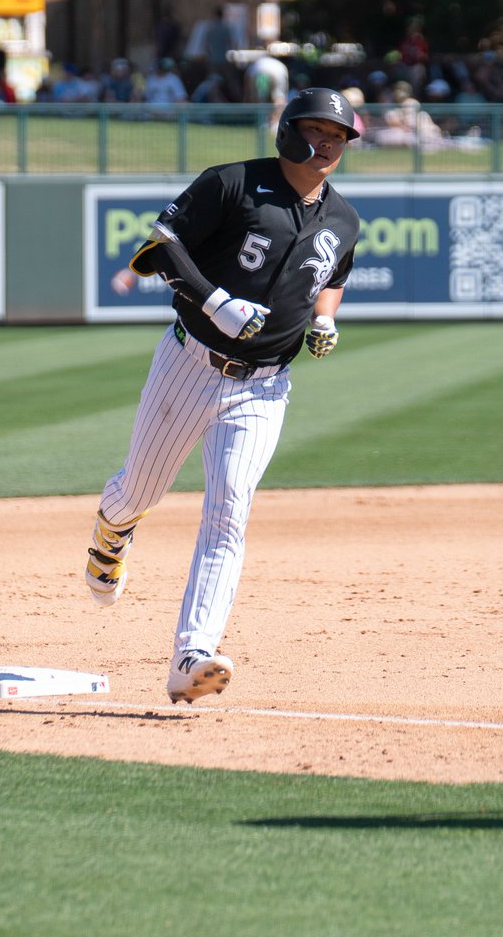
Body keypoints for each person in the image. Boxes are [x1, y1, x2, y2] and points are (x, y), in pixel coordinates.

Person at [84, 88, 360, 704]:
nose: (327, 145)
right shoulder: (232, 184)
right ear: (288, 131)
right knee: (141, 491)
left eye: (338, 136)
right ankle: (112, 530)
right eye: (317, 131)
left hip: (265, 387)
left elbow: (334, 275)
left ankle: (192, 655)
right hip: (190, 363)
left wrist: (325, 319)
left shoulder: (343, 219)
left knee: (229, 510)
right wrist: (215, 300)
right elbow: (159, 245)